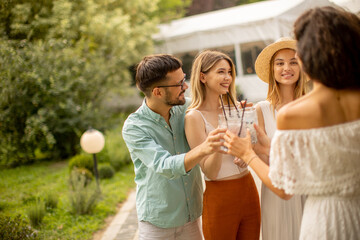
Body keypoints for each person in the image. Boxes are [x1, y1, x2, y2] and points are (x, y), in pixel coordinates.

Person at [224, 6, 360, 240]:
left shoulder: (295, 113)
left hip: (324, 219)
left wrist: (248, 155)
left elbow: (285, 188)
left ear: (307, 57)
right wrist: (269, 148)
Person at [122, 54, 226, 240]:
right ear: (158, 92)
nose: (185, 87)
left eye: (183, 79)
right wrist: (204, 148)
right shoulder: (135, 127)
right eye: (179, 84)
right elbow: (164, 165)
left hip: (191, 217)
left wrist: (237, 111)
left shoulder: (187, 108)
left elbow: (213, 107)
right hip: (157, 223)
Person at [185, 50, 261, 240]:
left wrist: (246, 153)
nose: (227, 77)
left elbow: (250, 148)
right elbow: (210, 172)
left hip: (248, 189)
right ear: (203, 77)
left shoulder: (235, 108)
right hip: (220, 197)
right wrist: (219, 134)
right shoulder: (194, 117)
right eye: (220, 72)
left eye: (229, 72)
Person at [250, 37, 308, 240]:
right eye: (280, 63)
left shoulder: (311, 106)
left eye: (293, 61)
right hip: (276, 188)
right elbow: (263, 158)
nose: (287, 68)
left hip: (310, 187)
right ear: (272, 69)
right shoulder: (261, 109)